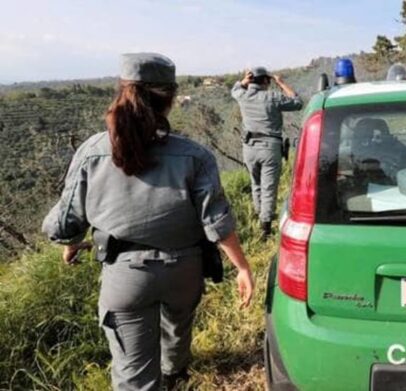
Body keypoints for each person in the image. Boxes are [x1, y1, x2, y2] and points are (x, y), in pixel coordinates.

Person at [41, 52, 255, 391]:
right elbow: (217, 221)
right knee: (178, 325)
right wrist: (242, 267)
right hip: (185, 268)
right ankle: (175, 373)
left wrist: (70, 242)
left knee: (134, 375)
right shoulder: (195, 155)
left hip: (126, 277)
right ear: (168, 100)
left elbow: (65, 221)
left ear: (121, 92)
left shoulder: (93, 151)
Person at [231, 67, 303, 239]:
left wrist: (244, 81)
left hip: (249, 148)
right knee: (268, 187)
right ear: (265, 81)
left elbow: (235, 89)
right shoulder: (273, 97)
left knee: (256, 184)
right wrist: (281, 83)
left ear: (251, 80)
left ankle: (259, 214)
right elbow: (297, 102)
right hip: (270, 148)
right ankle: (265, 229)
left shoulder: (243, 96)